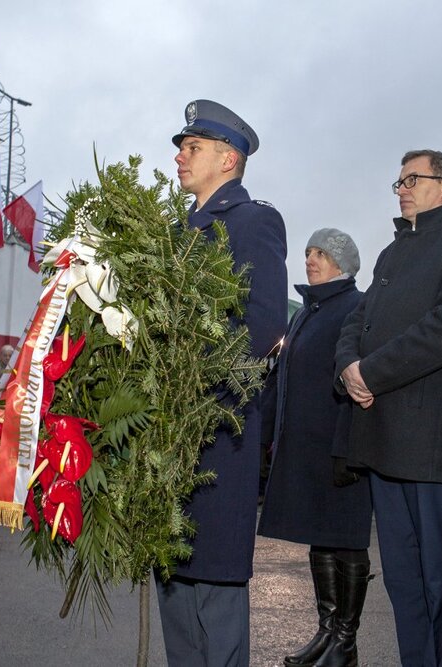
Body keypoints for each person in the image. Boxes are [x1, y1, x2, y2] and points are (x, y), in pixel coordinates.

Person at [335, 149, 442, 666]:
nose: (401, 188)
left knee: (440, 579)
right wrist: (348, 368)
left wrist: (371, 373)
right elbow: (355, 322)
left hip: (430, 445)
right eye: (399, 181)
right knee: (404, 582)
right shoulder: (391, 253)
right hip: (381, 436)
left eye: (412, 179)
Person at [156, 99, 287, 666]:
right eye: (183, 148)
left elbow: (263, 322)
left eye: (193, 148)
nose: (181, 157)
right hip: (164, 433)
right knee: (171, 574)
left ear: (228, 159)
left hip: (216, 424)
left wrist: (192, 378)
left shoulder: (253, 220)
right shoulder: (171, 233)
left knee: (213, 578)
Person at [258, 228, 372, 666]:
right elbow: (281, 380)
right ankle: (327, 631)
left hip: (339, 448)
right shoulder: (308, 312)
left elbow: (357, 378)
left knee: (345, 539)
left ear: (343, 264)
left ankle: (346, 641)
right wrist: (268, 434)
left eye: (321, 253)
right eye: (308, 252)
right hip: (306, 447)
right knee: (320, 540)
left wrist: (348, 447)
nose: (310, 259)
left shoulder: (354, 307)